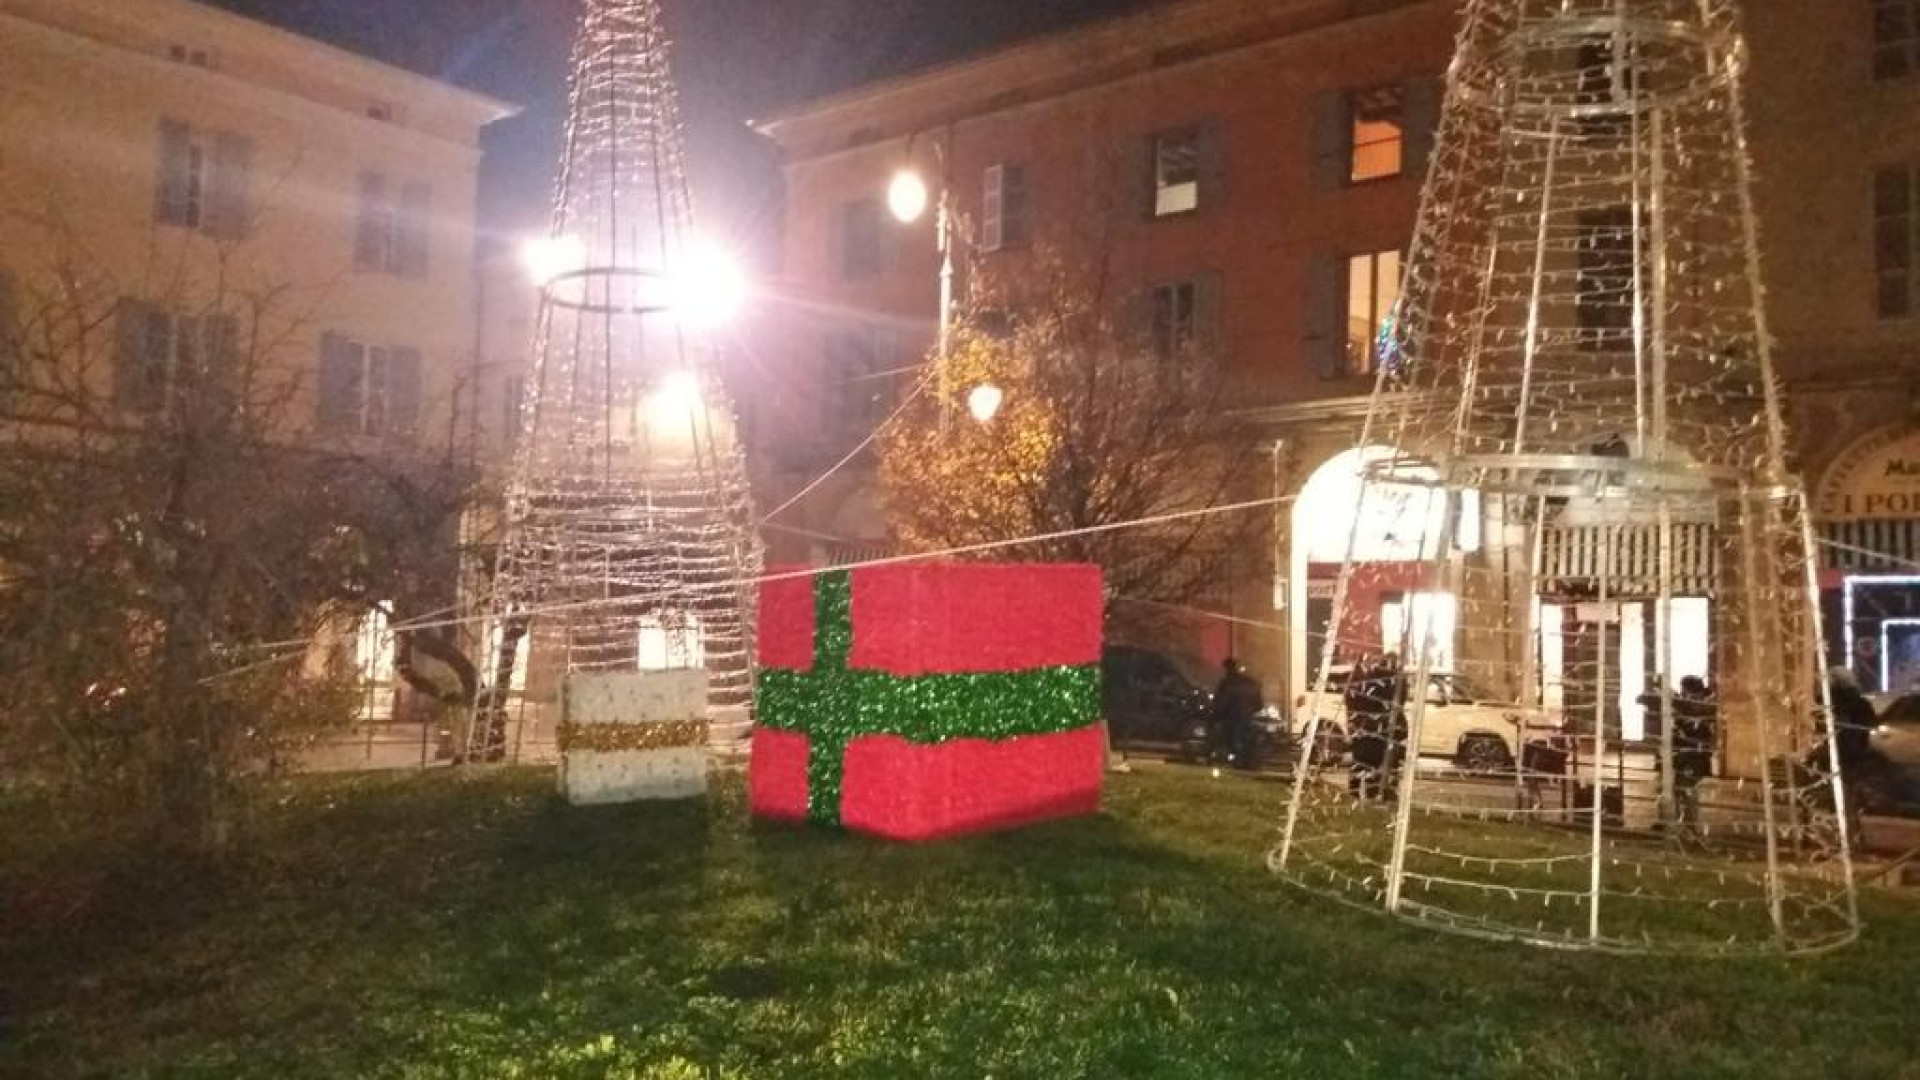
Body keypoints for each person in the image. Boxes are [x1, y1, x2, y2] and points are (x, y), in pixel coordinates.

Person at [1670, 676, 1717, 831]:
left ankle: (1688, 828)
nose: (1683, 694)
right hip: (1686, 757)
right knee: (1682, 791)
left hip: (1693, 758)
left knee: (1688, 792)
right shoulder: (1697, 706)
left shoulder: (1700, 708)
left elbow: (1692, 728)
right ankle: (1682, 826)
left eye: (1684, 690)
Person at [1210, 657, 1265, 769]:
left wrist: (1215, 717)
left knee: (1233, 742)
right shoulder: (1250, 683)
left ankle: (1238, 762)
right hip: (1247, 718)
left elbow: (1221, 703)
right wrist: (1250, 711)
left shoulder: (1228, 683)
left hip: (1232, 719)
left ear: (1228, 668)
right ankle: (1250, 762)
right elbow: (1259, 704)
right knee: (1247, 741)